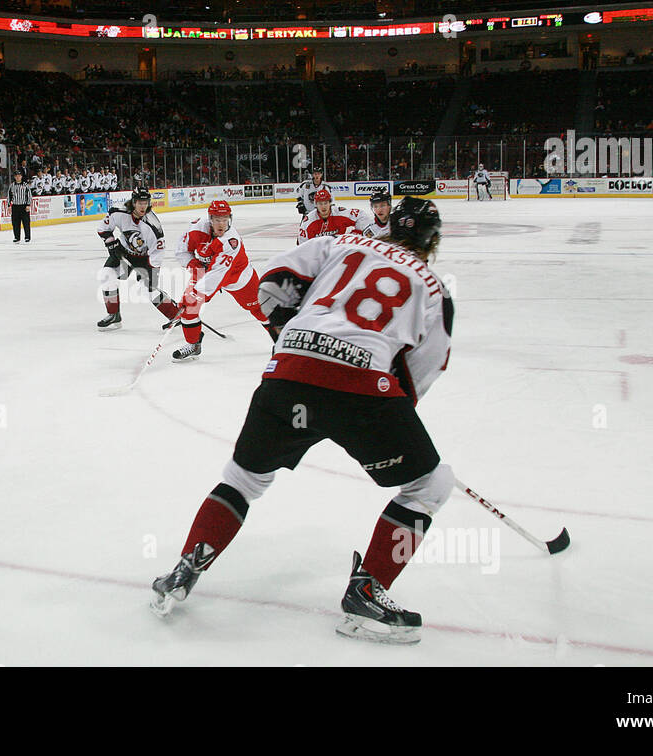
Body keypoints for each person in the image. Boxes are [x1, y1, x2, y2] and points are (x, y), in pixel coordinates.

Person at [150, 197, 455, 646]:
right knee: (431, 486)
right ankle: (367, 593)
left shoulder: (341, 241)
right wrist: (391, 414)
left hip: (289, 371)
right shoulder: (435, 289)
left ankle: (185, 570)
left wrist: (297, 336)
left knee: (243, 479)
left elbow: (270, 284)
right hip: (363, 388)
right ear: (432, 242)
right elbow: (422, 371)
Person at [172, 200, 279, 362]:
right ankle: (193, 344)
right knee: (189, 310)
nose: (221, 224)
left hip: (238, 276)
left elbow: (216, 276)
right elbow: (182, 251)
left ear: (230, 219)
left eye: (225, 219)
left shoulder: (230, 241)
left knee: (260, 309)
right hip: (205, 272)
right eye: (217, 219)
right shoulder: (196, 229)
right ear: (210, 219)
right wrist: (195, 265)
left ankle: (281, 344)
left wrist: (194, 295)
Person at [95, 187, 179, 331]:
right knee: (107, 275)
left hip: (145, 258)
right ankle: (114, 315)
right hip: (124, 252)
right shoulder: (118, 213)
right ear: (133, 202)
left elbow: (157, 252)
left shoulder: (152, 225)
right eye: (140, 202)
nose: (143, 206)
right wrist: (111, 243)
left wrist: (152, 272)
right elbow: (103, 228)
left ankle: (175, 315)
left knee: (149, 289)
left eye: (145, 202)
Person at [296, 190, 375, 244]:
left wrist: (360, 233)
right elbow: (302, 244)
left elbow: (361, 215)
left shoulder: (339, 213)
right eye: (320, 203)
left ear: (330, 203)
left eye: (326, 203)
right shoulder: (309, 221)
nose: (323, 207)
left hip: (339, 250)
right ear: (316, 205)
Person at [7, 170, 32, 243]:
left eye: (19, 176)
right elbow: (9, 196)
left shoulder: (25, 185)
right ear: (14, 177)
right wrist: (9, 205)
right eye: (16, 176)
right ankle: (17, 237)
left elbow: (29, 196)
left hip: (24, 207)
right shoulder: (12, 185)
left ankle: (27, 237)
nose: (18, 177)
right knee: (15, 223)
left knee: (26, 223)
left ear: (21, 176)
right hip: (15, 207)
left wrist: (28, 205)